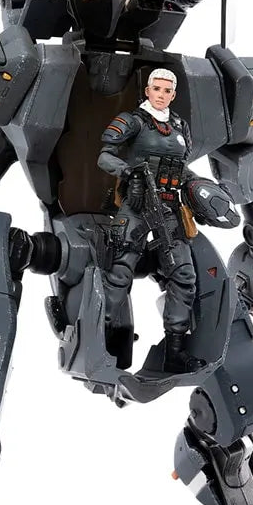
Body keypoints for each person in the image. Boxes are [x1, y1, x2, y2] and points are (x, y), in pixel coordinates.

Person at [97, 68, 206, 373]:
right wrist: (128, 172)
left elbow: (182, 167)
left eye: (166, 90)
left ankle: (174, 351)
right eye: (156, 89)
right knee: (119, 272)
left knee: (184, 276)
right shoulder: (133, 121)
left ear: (173, 94)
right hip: (136, 205)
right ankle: (100, 339)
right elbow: (104, 156)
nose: (161, 94)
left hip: (169, 208)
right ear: (147, 91)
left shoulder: (180, 126)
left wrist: (199, 187)